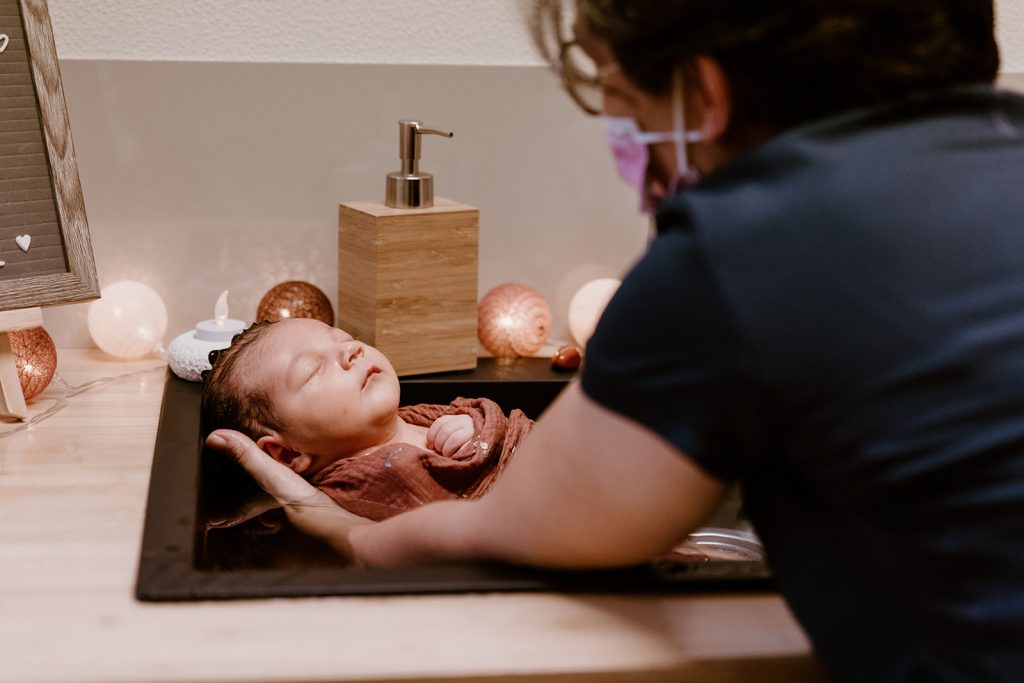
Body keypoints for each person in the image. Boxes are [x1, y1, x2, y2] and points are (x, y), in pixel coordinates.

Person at [207, 0, 1024, 679]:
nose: (633, 155)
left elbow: (524, 525)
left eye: (625, 108)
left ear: (703, 95)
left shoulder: (731, 254)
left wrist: (351, 536)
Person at [200, 318, 531, 527]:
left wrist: (477, 425)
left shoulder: (413, 416)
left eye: (344, 338)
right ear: (287, 455)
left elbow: (504, 430)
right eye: (313, 370)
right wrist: (480, 440)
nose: (351, 351)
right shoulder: (365, 481)